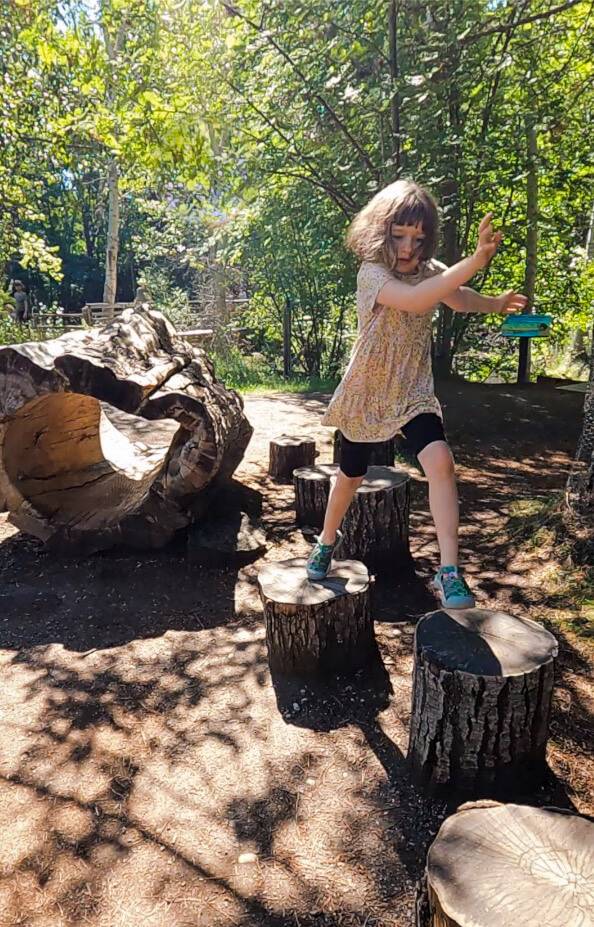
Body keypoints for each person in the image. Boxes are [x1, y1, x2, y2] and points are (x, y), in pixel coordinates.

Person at [305, 179, 527, 608]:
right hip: (368, 391)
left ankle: (449, 572)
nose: (408, 247)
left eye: (418, 238)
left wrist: (495, 303)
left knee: (441, 462)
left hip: (412, 391)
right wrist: (476, 259)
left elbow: (458, 298)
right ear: (379, 229)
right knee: (350, 475)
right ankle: (327, 540)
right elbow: (416, 300)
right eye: (399, 234)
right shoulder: (372, 273)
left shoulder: (430, 269)